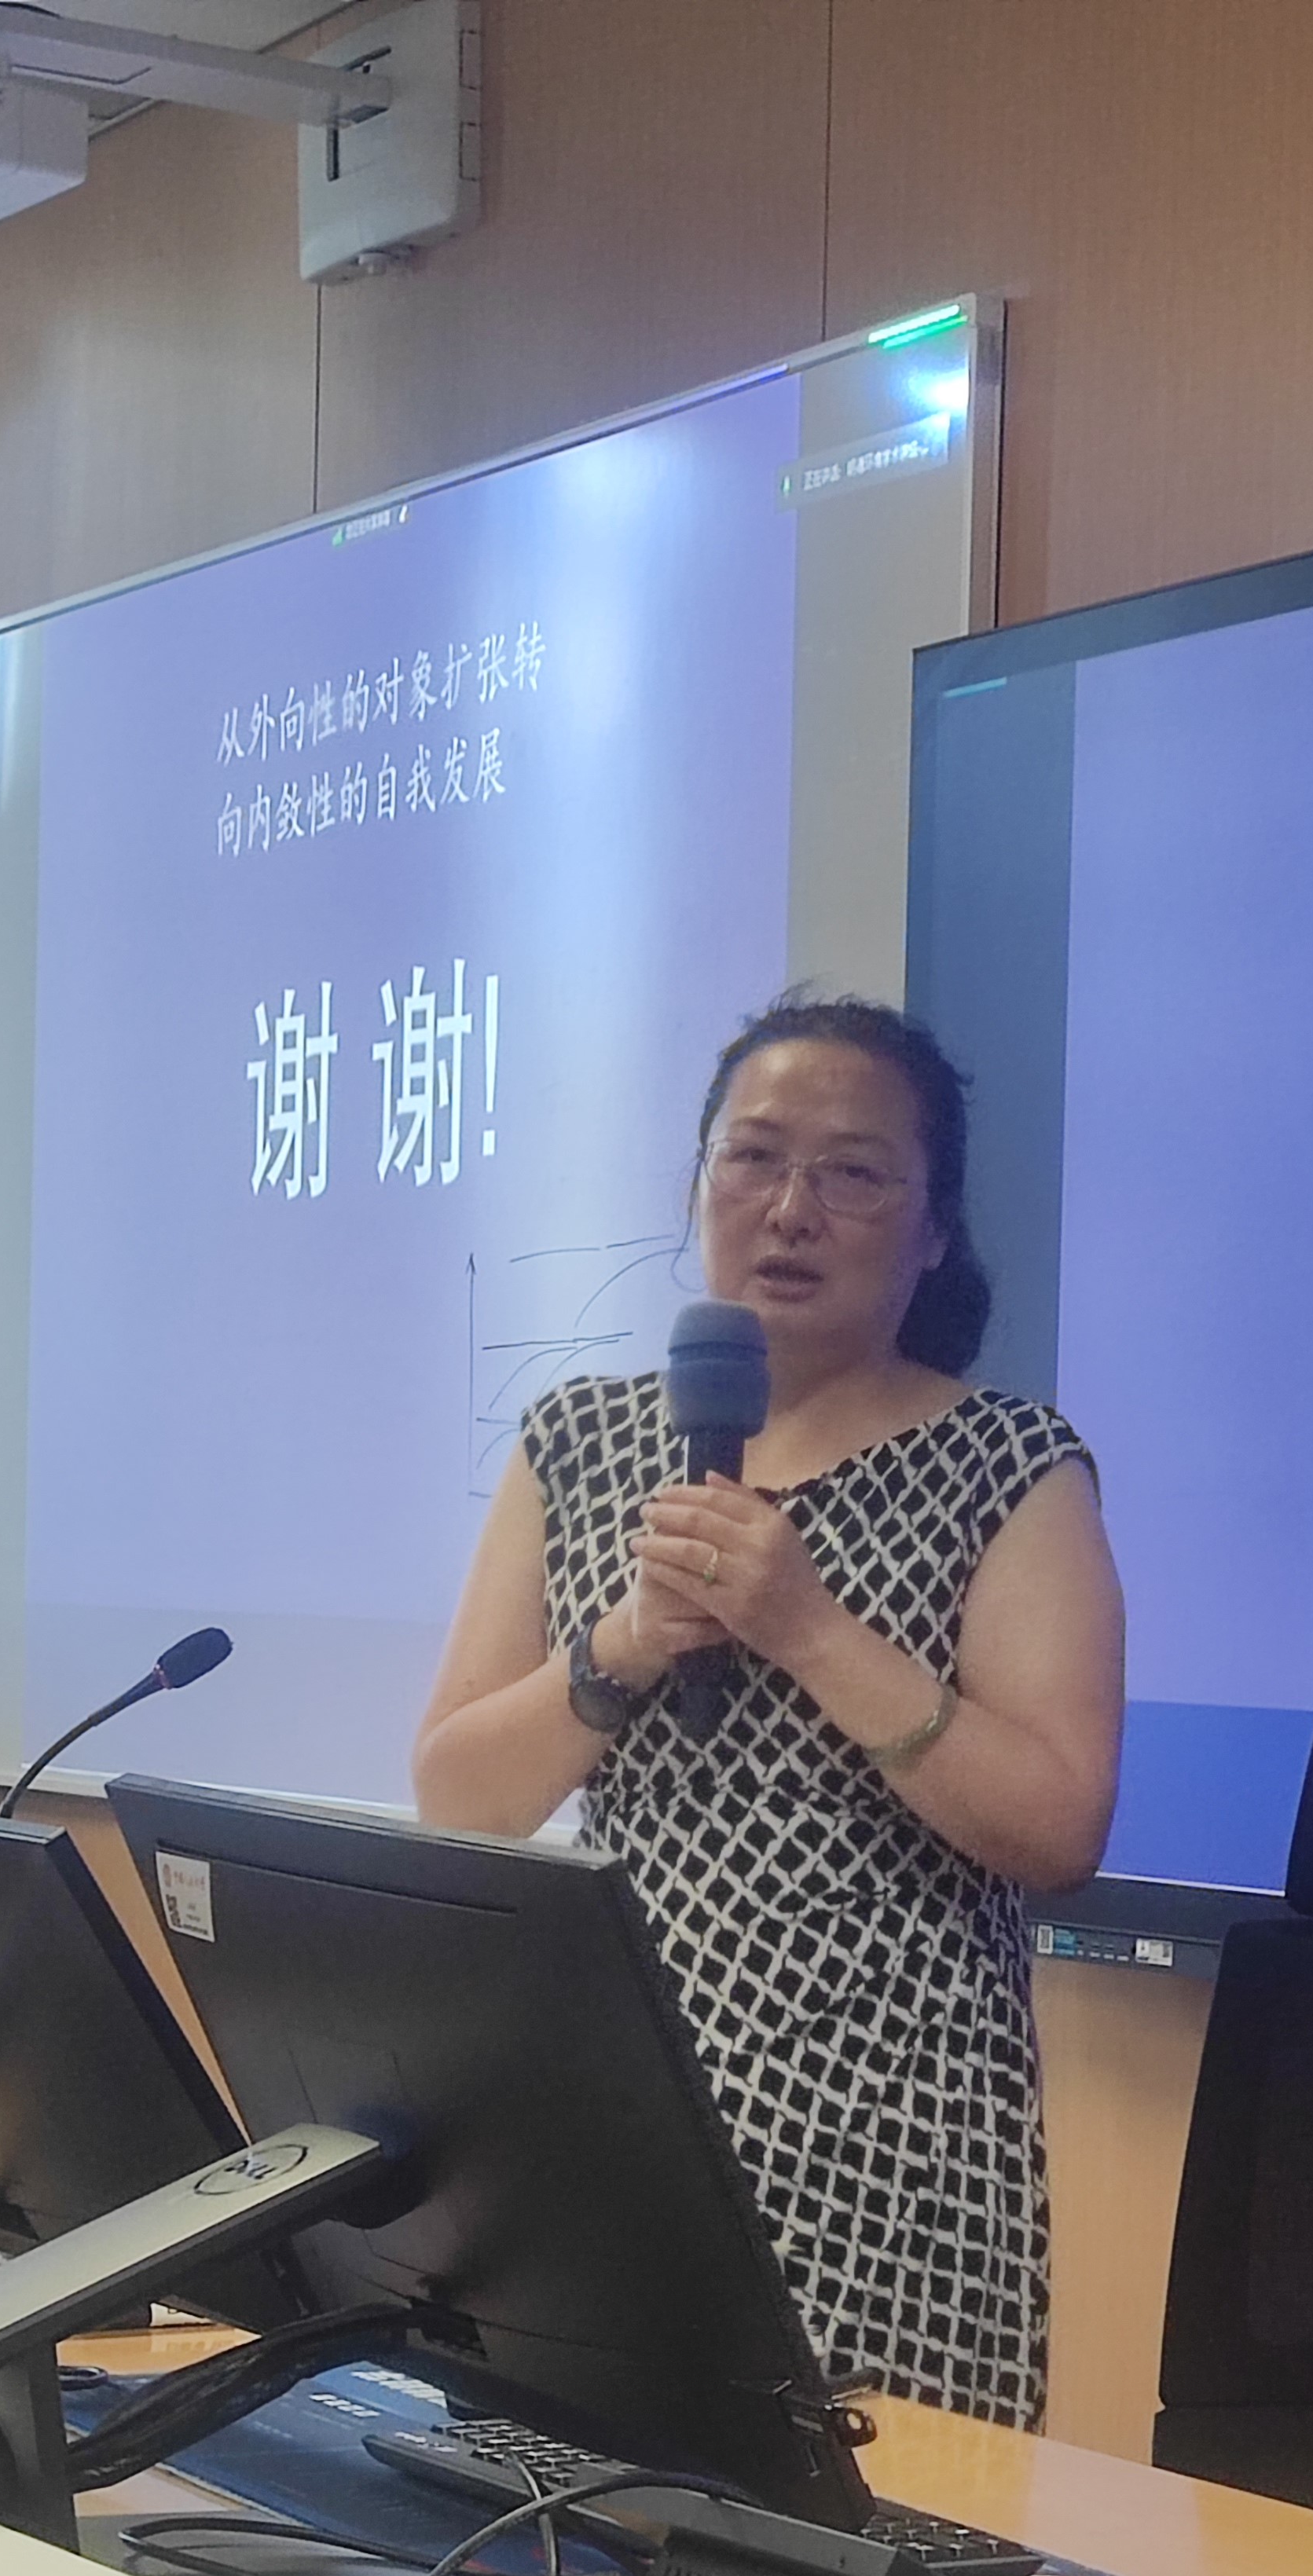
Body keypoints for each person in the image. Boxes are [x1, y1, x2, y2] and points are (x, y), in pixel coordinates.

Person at [413, 995, 1124, 2430]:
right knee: (572, 2526)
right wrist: (623, 1646)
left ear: (934, 1231)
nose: (792, 1209)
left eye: (854, 1173)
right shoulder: (578, 1441)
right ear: (700, 1185)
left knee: (857, 2542)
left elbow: (1058, 1825)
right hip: (615, 2115)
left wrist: (807, 1627)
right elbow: (458, 1795)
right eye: (753, 1158)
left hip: (897, 2148)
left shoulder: (1009, 1463)